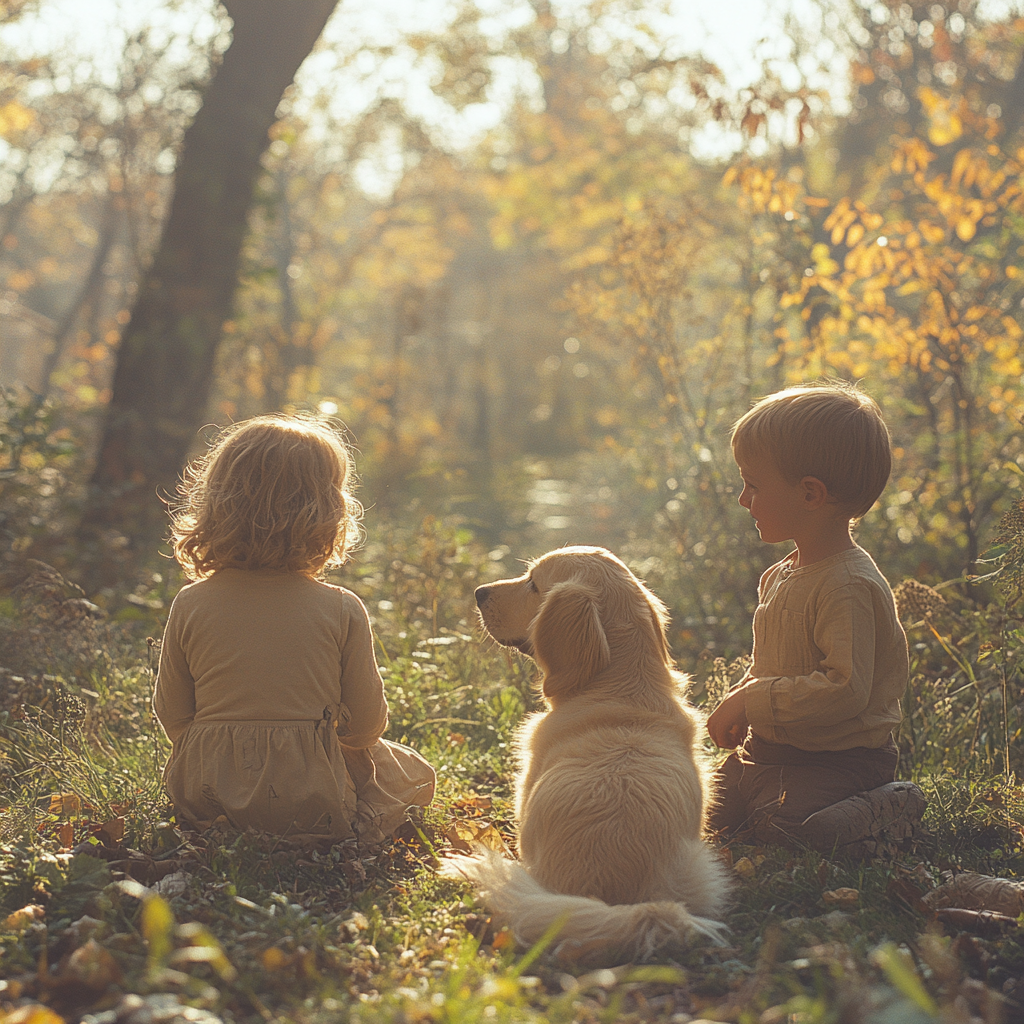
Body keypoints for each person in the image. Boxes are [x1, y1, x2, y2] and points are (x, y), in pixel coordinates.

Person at [153, 415, 435, 842]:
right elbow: (365, 726)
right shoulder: (341, 608)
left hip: (203, 794)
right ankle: (343, 826)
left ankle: (225, 824)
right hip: (314, 800)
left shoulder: (190, 602)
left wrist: (223, 751)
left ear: (216, 503)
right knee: (408, 770)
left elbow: (173, 712)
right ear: (329, 512)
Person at [706, 381, 917, 847]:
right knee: (695, 812)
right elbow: (773, 669)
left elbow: (845, 690)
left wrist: (752, 700)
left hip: (839, 759)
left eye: (753, 485)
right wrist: (745, 698)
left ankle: (891, 803)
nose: (743, 499)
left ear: (810, 495)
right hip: (772, 752)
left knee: (789, 830)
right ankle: (765, 799)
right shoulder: (782, 574)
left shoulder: (848, 586)